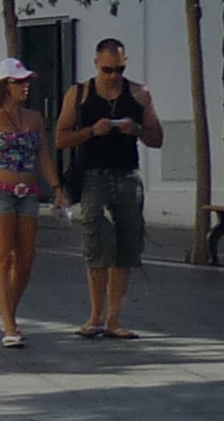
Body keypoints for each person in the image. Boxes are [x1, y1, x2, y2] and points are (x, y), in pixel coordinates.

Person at [55, 36, 163, 338]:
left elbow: (157, 138)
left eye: (118, 69)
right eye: (107, 70)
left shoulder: (139, 94)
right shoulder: (79, 94)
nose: (113, 76)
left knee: (126, 247)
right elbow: (61, 138)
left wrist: (137, 129)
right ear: (96, 65)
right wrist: (91, 131)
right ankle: (95, 316)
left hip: (127, 174)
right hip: (92, 175)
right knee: (97, 244)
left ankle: (115, 318)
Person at [0, 56, 60, 347]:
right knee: (4, 256)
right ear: (4, 86)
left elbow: (43, 155)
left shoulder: (33, 118)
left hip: (27, 192)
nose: (25, 87)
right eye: (18, 82)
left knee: (27, 259)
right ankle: (9, 324)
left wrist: (57, 187)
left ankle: (10, 311)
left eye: (26, 82)